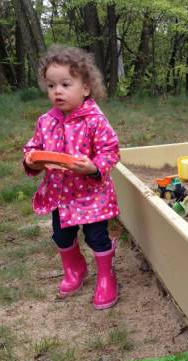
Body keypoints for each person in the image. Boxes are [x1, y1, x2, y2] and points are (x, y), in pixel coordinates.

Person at [23, 45, 120, 310]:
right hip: (60, 194)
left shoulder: (95, 120)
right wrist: (31, 159)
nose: (57, 91)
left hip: (92, 195)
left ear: (85, 88)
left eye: (65, 84)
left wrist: (94, 167)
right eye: (51, 85)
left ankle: (106, 276)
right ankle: (75, 269)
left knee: (96, 237)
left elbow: (110, 150)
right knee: (62, 236)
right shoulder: (46, 121)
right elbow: (34, 147)